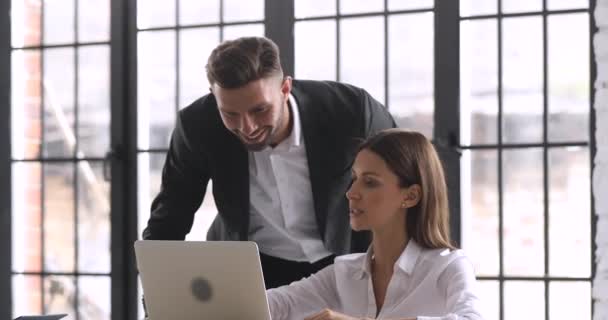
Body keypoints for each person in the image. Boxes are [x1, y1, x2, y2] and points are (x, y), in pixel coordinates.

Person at [141, 36, 396, 289]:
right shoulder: (197, 125)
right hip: (254, 268)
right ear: (214, 97)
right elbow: (169, 217)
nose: (247, 127)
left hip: (345, 260)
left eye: (259, 110)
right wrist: (157, 304)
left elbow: (413, 174)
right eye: (230, 114)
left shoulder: (352, 110)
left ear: (285, 89)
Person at [267, 129, 484, 320]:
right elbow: (275, 305)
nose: (351, 193)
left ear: (411, 196)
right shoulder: (342, 274)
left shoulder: (448, 267)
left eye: (370, 182)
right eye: (354, 178)